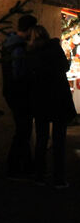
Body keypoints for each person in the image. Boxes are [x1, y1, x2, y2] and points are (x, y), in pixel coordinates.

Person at [26, 24, 76, 188]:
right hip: (58, 98)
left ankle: (39, 176)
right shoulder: (55, 48)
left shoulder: (31, 52)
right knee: (59, 140)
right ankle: (59, 178)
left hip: (40, 100)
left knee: (41, 138)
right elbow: (65, 67)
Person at [1, 13, 37, 179]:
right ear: (29, 29)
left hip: (11, 92)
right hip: (20, 93)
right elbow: (19, 74)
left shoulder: (9, 43)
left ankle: (27, 166)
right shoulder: (19, 47)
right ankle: (13, 167)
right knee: (23, 130)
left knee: (23, 130)